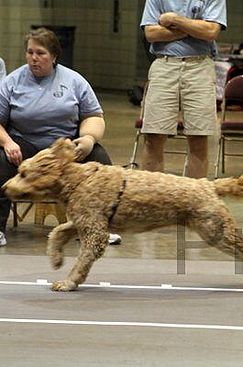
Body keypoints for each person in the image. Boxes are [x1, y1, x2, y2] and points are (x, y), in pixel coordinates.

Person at [0, 28, 121, 247]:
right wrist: (7, 142)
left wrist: (88, 139)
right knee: (0, 160)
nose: (34, 58)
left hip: (64, 146)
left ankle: (101, 227)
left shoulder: (74, 81)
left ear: (54, 56)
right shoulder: (11, 81)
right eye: (30, 52)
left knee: (99, 159)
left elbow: (94, 116)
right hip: (24, 144)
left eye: (40, 53)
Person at [140, 0, 227, 177]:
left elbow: (211, 31)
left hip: (200, 66)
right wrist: (193, 28)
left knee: (198, 138)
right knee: (153, 137)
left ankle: (194, 200)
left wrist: (174, 20)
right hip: (164, 64)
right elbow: (150, 33)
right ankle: (151, 199)